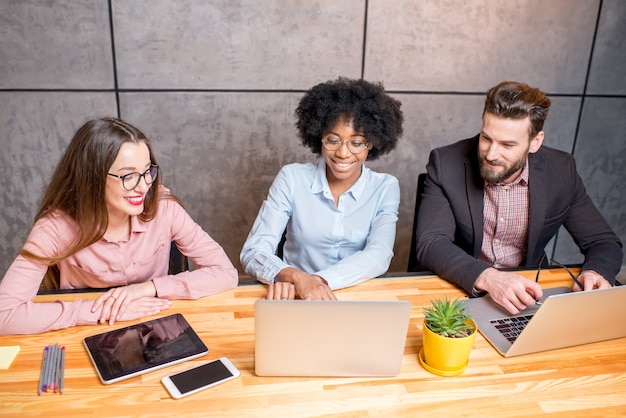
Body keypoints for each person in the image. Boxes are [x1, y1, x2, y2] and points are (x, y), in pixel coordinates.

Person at [0, 117, 238, 335]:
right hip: (84, 331)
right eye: (128, 176)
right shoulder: (55, 227)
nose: (143, 186)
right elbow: (4, 315)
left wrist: (148, 288)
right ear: (91, 177)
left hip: (156, 327)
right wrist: (100, 310)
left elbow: (225, 273)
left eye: (147, 172)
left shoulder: (164, 208)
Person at [415, 80, 622, 314]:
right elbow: (431, 242)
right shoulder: (446, 162)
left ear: (535, 142)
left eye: (507, 144)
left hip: (530, 294)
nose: (491, 154)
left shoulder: (561, 170)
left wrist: (596, 271)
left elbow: (602, 242)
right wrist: (490, 278)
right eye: (486, 138)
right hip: (460, 287)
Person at [240, 77, 404, 300]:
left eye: (356, 142)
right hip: (297, 296)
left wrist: (317, 281)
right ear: (319, 137)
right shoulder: (292, 178)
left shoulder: (385, 187)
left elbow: (379, 254)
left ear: (371, 143)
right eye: (332, 140)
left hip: (355, 298)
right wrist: (296, 277)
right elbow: (253, 252)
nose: (343, 153)